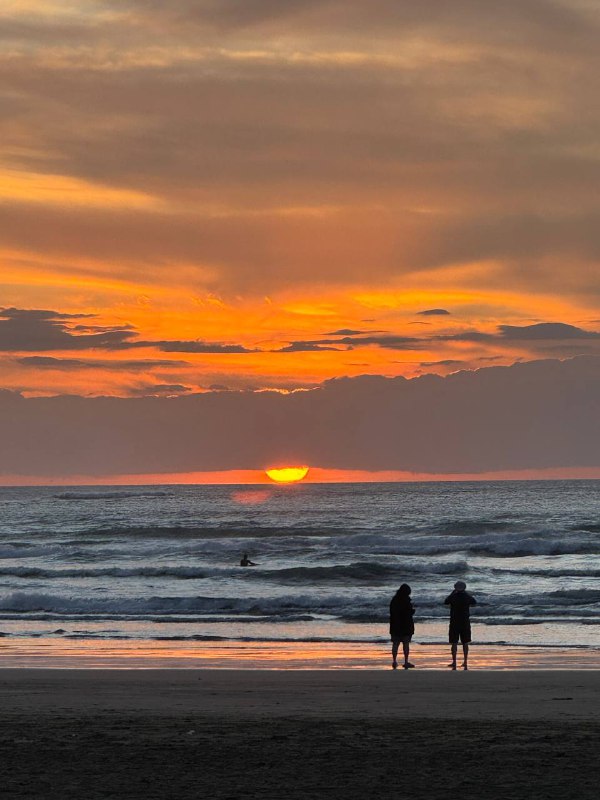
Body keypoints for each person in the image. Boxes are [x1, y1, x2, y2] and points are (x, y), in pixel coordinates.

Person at [444, 580, 477, 670]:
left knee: (454, 643)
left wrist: (452, 593)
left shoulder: (453, 597)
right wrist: (466, 593)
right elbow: (474, 602)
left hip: (454, 622)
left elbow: (446, 602)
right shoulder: (467, 597)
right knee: (465, 642)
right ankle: (465, 661)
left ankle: (454, 661)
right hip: (465, 622)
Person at [389, 584, 415, 670]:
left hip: (395, 625)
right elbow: (409, 612)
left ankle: (394, 661)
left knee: (395, 644)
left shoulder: (394, 600)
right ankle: (406, 661)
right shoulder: (407, 600)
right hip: (406, 625)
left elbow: (392, 612)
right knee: (406, 644)